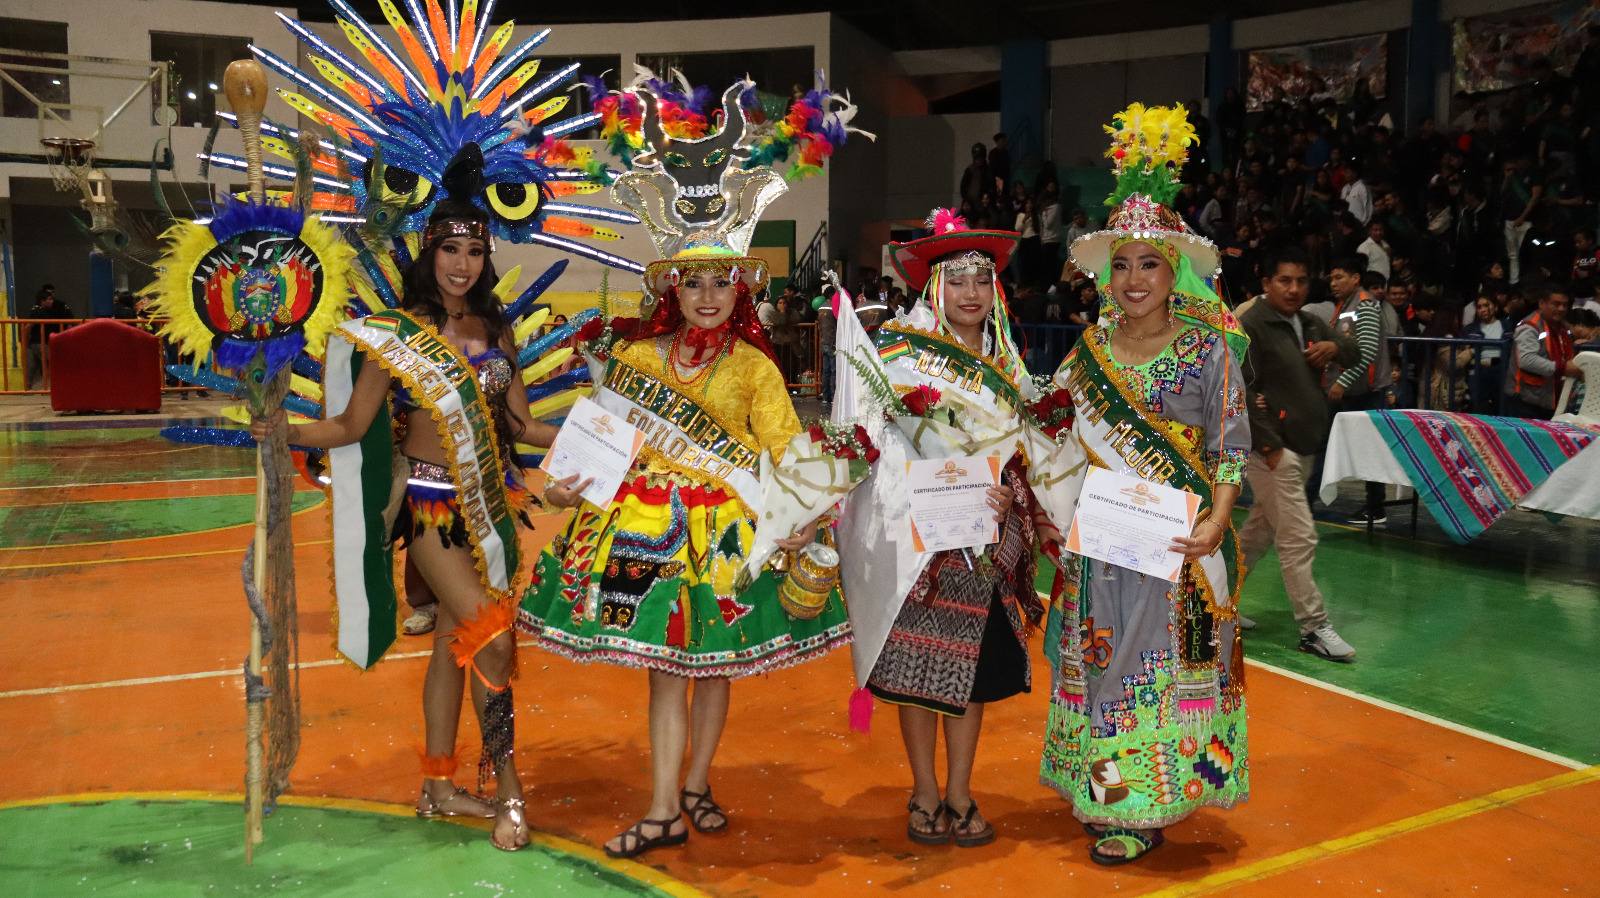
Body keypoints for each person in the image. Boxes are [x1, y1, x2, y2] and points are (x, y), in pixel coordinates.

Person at [518, 76, 854, 861]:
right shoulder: (634, 356)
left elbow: (783, 450)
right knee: (668, 673)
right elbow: (602, 440)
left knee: (713, 667)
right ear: (670, 284)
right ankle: (666, 803)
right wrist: (568, 485)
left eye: (720, 281)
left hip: (726, 532)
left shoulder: (753, 368)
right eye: (692, 280)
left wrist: (815, 500)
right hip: (640, 526)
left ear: (740, 286)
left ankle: (695, 783)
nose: (707, 295)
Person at [250, 195, 558, 852]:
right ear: (429, 251)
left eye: (475, 251)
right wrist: (281, 432)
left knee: (456, 644)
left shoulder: (495, 330)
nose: (463, 264)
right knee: (493, 643)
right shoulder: (398, 334)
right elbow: (349, 426)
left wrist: (603, 436)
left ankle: (439, 786)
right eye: (451, 249)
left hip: (494, 509)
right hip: (433, 509)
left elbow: (523, 425)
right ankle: (507, 786)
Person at [1040, 103, 1250, 867]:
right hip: (1099, 546)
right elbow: (1060, 445)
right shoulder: (1085, 353)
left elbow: (1231, 448)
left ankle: (1141, 806)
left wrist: (1218, 524)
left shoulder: (1210, 352)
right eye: (1121, 265)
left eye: (1150, 265)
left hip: (1175, 545)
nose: (1133, 280)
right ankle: (1103, 791)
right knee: (1100, 667)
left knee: (1153, 672)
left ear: (1175, 273)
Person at [851, 207, 1055, 849]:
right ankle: (924, 791)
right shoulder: (897, 355)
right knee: (917, 670)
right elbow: (872, 438)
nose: (971, 294)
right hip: (920, 541)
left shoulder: (1009, 364)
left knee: (973, 677)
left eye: (982, 282)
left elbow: (1028, 445)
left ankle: (961, 790)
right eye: (958, 281)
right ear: (932, 287)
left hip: (985, 540)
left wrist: (1012, 489)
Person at [1236, 249, 1358, 661]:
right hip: (1274, 452)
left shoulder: (1307, 322)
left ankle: (1214, 602)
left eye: (1301, 281)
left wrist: (1331, 346)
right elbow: (1240, 389)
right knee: (1298, 536)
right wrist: (1269, 447)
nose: (1293, 288)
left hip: (1301, 447)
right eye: (1284, 280)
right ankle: (1314, 627)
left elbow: (1355, 352)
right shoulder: (1251, 325)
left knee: (1258, 532)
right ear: (1266, 283)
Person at [1321, 255, 1392, 526]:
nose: (1334, 283)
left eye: (1339, 277)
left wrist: (1342, 382)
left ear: (1355, 278)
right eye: (1331, 278)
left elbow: (1367, 352)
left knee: (1370, 449)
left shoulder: (1366, 306)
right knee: (1329, 443)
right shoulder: (1344, 306)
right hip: (1352, 391)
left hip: (1366, 391)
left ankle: (1376, 508)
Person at [1505, 284, 1583, 417]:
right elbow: (1526, 360)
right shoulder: (1529, 326)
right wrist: (1563, 368)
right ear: (1541, 303)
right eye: (1556, 304)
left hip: (1553, 399)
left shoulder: (1564, 327)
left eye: (1565, 305)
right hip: (1527, 402)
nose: (1561, 308)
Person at [25, 285, 70, 390]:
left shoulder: (46, 311)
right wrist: (24, 341)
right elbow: (28, 327)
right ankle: (51, 387)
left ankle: (29, 388)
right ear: (42, 301)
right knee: (52, 362)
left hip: (36, 343)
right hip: (38, 343)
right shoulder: (37, 312)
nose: (51, 301)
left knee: (33, 366)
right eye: (49, 299)